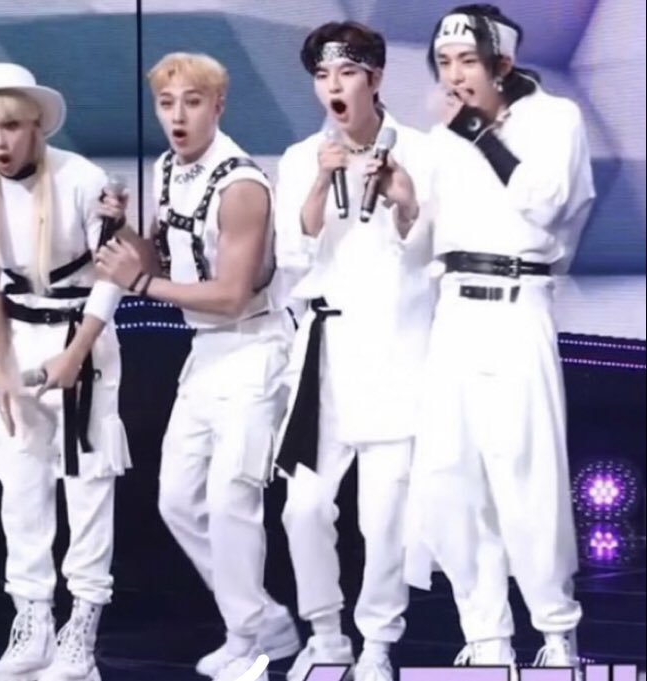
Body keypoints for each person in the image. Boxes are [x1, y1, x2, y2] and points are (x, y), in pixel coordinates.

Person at [94, 52, 297, 681]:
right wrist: (120, 229)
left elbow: (232, 293)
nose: (177, 116)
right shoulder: (167, 169)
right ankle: (263, 621)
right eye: (167, 103)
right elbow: (161, 259)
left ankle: (249, 639)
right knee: (178, 501)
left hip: (254, 348)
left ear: (218, 105)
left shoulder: (241, 185)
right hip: (203, 352)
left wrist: (141, 284)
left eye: (192, 102)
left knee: (232, 500)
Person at [404, 3, 593, 671]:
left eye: (468, 61)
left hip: (518, 304)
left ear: (502, 64)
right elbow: (420, 239)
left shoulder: (556, 118)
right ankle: (484, 632)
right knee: (448, 478)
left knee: (526, 474)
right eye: (444, 62)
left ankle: (556, 632)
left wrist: (477, 131)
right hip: (452, 311)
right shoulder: (439, 141)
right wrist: (399, 200)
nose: (454, 75)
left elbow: (545, 199)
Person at [0, 62, 132, 681]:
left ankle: (81, 636)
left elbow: (113, 275)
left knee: (88, 484)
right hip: (18, 341)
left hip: (82, 339)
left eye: (10, 127)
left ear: (36, 126)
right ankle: (33, 629)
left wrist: (75, 356)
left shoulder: (81, 179)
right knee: (20, 489)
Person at [271, 23, 435, 681]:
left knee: (384, 512)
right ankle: (325, 633)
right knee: (303, 505)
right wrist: (319, 183)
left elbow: (434, 250)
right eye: (322, 76)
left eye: (345, 73)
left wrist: (406, 202)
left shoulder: (425, 152)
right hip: (325, 353)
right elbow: (291, 254)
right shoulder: (300, 157)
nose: (332, 87)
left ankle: (377, 643)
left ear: (376, 78)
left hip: (396, 350)